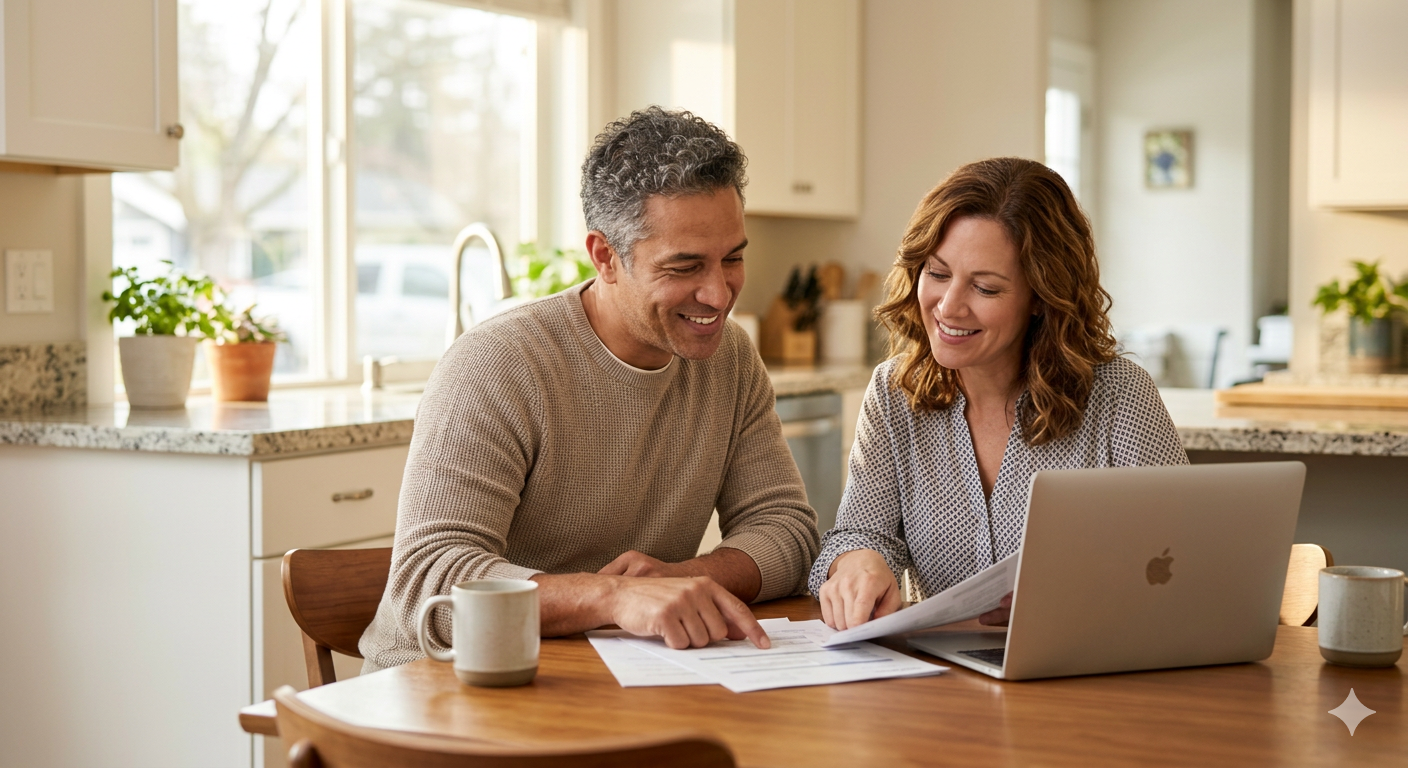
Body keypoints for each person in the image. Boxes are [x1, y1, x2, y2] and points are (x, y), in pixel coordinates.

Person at [359, 107, 820, 671]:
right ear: (605, 257)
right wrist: (612, 597)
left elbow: (789, 533)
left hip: (612, 679)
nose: (719, 294)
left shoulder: (730, 358)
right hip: (446, 691)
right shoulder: (500, 364)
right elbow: (428, 582)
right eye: (685, 267)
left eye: (734, 259)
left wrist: (677, 580)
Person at [810, 157, 1188, 631]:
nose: (948, 307)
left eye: (985, 288)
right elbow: (862, 531)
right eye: (938, 273)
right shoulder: (892, 392)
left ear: (1041, 298)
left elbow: (1179, 562)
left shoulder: (1119, 396)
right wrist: (857, 561)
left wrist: (1074, 595)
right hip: (944, 683)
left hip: (1085, 674)